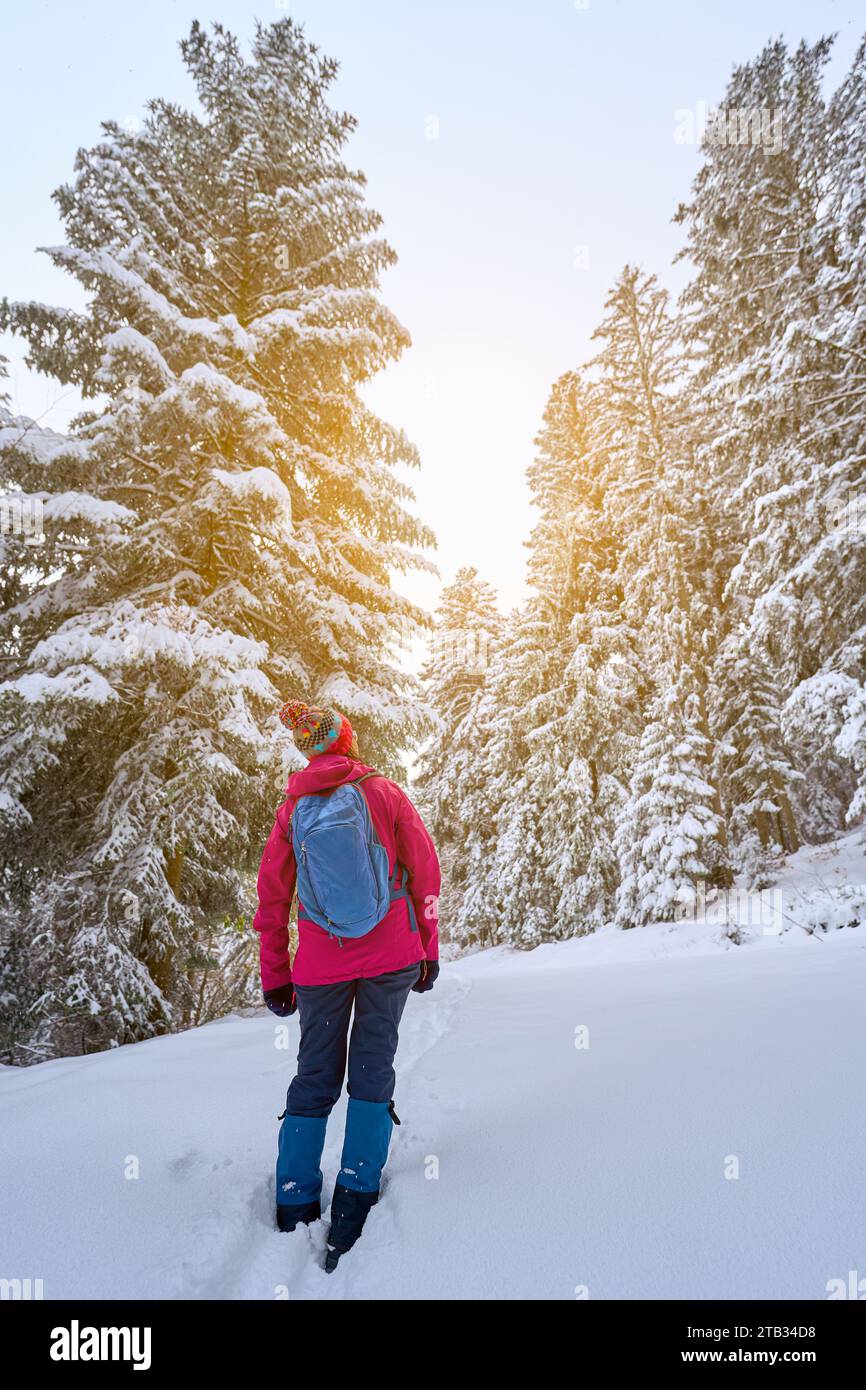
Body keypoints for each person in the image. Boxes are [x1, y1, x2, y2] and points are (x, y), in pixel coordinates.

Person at [253, 699, 441, 1271]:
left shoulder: (292, 810)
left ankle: (295, 1198)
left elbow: (272, 899)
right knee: (373, 1067)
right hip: (390, 958)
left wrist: (276, 974)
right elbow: (425, 875)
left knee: (315, 1073)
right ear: (348, 740)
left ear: (309, 751)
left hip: (319, 966)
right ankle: (356, 1194)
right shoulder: (384, 794)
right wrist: (427, 951)